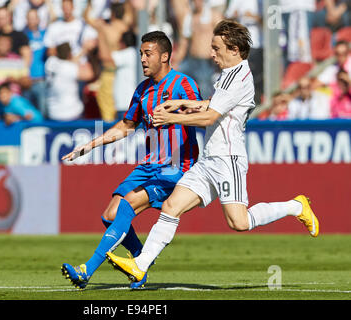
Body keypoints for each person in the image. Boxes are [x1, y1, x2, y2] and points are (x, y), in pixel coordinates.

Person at [106, 20, 319, 285]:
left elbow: (209, 118)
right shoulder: (228, 75)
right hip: (209, 160)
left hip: (228, 159)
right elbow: (214, 104)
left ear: (234, 49)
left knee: (239, 222)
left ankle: (295, 205)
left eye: (216, 48)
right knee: (172, 206)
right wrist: (184, 102)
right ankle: (140, 265)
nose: (212, 54)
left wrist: (172, 117)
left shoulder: (239, 77)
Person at [60, 31, 202, 290]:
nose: (143, 59)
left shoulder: (183, 84)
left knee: (126, 206)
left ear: (165, 56)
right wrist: (90, 146)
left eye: (148, 54)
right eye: (141, 54)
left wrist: (177, 116)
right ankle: (139, 264)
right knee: (110, 215)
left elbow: (204, 115)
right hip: (148, 165)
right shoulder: (143, 90)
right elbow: (126, 125)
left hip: (175, 167)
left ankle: (86, 270)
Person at [172, 0, 223, 99]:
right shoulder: (189, 17)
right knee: (175, 81)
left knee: (203, 92)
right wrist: (176, 62)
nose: (197, 2)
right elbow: (184, 41)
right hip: (191, 60)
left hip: (206, 62)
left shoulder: (213, 15)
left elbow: (222, 37)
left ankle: (203, 112)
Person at [45, 42, 94, 120]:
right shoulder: (69, 68)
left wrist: (82, 52)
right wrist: (86, 53)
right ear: (70, 54)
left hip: (53, 112)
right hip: (71, 113)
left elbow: (69, 61)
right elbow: (89, 74)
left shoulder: (50, 62)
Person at [22, 8, 48, 117]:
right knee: (28, 113)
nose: (32, 21)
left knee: (43, 112)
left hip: (41, 80)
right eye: (30, 18)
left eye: (34, 18)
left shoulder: (46, 34)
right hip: (26, 81)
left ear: (38, 20)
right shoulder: (22, 36)